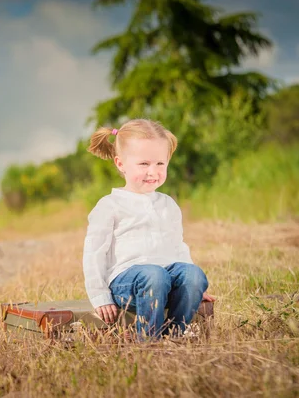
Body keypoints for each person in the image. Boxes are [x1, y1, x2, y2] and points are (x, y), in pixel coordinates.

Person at [82, 118, 215, 340]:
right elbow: (94, 253)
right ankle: (149, 342)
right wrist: (100, 296)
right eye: (143, 164)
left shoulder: (168, 205)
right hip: (127, 284)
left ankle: (175, 335)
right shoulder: (110, 205)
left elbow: (178, 247)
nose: (152, 171)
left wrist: (193, 288)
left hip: (166, 279)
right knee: (154, 274)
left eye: (160, 164)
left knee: (193, 274)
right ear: (120, 164)